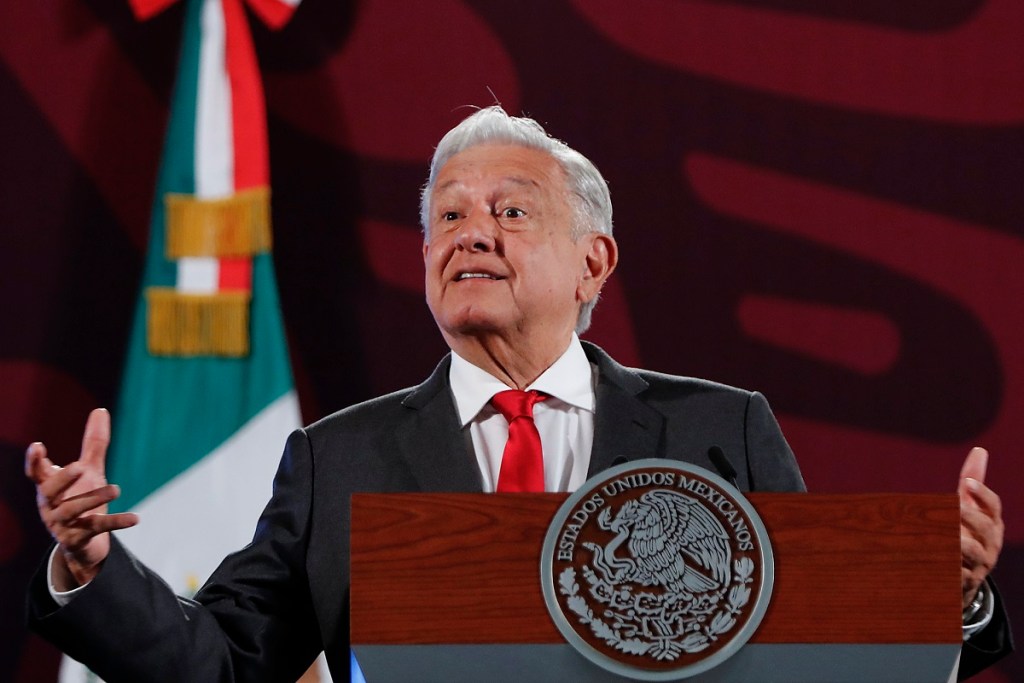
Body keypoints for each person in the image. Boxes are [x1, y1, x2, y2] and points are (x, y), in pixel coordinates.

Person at [26, 106, 1011, 681]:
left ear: (593, 262)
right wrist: (92, 567)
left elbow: (815, 652)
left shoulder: (722, 428)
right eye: (446, 216)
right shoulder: (339, 459)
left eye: (509, 210)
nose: (472, 233)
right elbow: (226, 664)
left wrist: (948, 592)